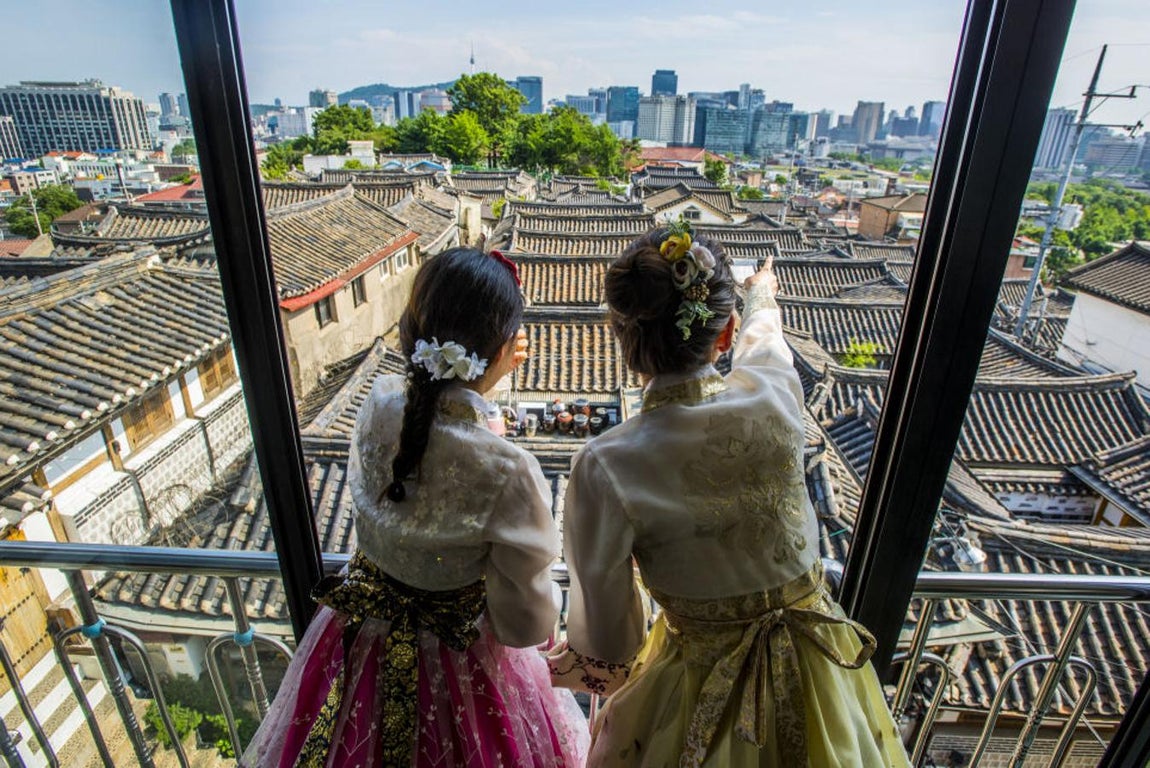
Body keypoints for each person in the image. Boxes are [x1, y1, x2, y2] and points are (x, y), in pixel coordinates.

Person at [553, 224, 910, 767]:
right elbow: (765, 342)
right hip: (821, 668)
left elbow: (609, 640)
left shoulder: (608, 462)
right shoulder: (774, 393)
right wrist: (761, 290)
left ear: (626, 343)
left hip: (696, 686)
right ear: (725, 334)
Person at [243, 248, 588, 768]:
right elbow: (523, 625)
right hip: (457, 668)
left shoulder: (379, 405)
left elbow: (437, 437)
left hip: (357, 643)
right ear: (499, 350)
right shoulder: (508, 471)